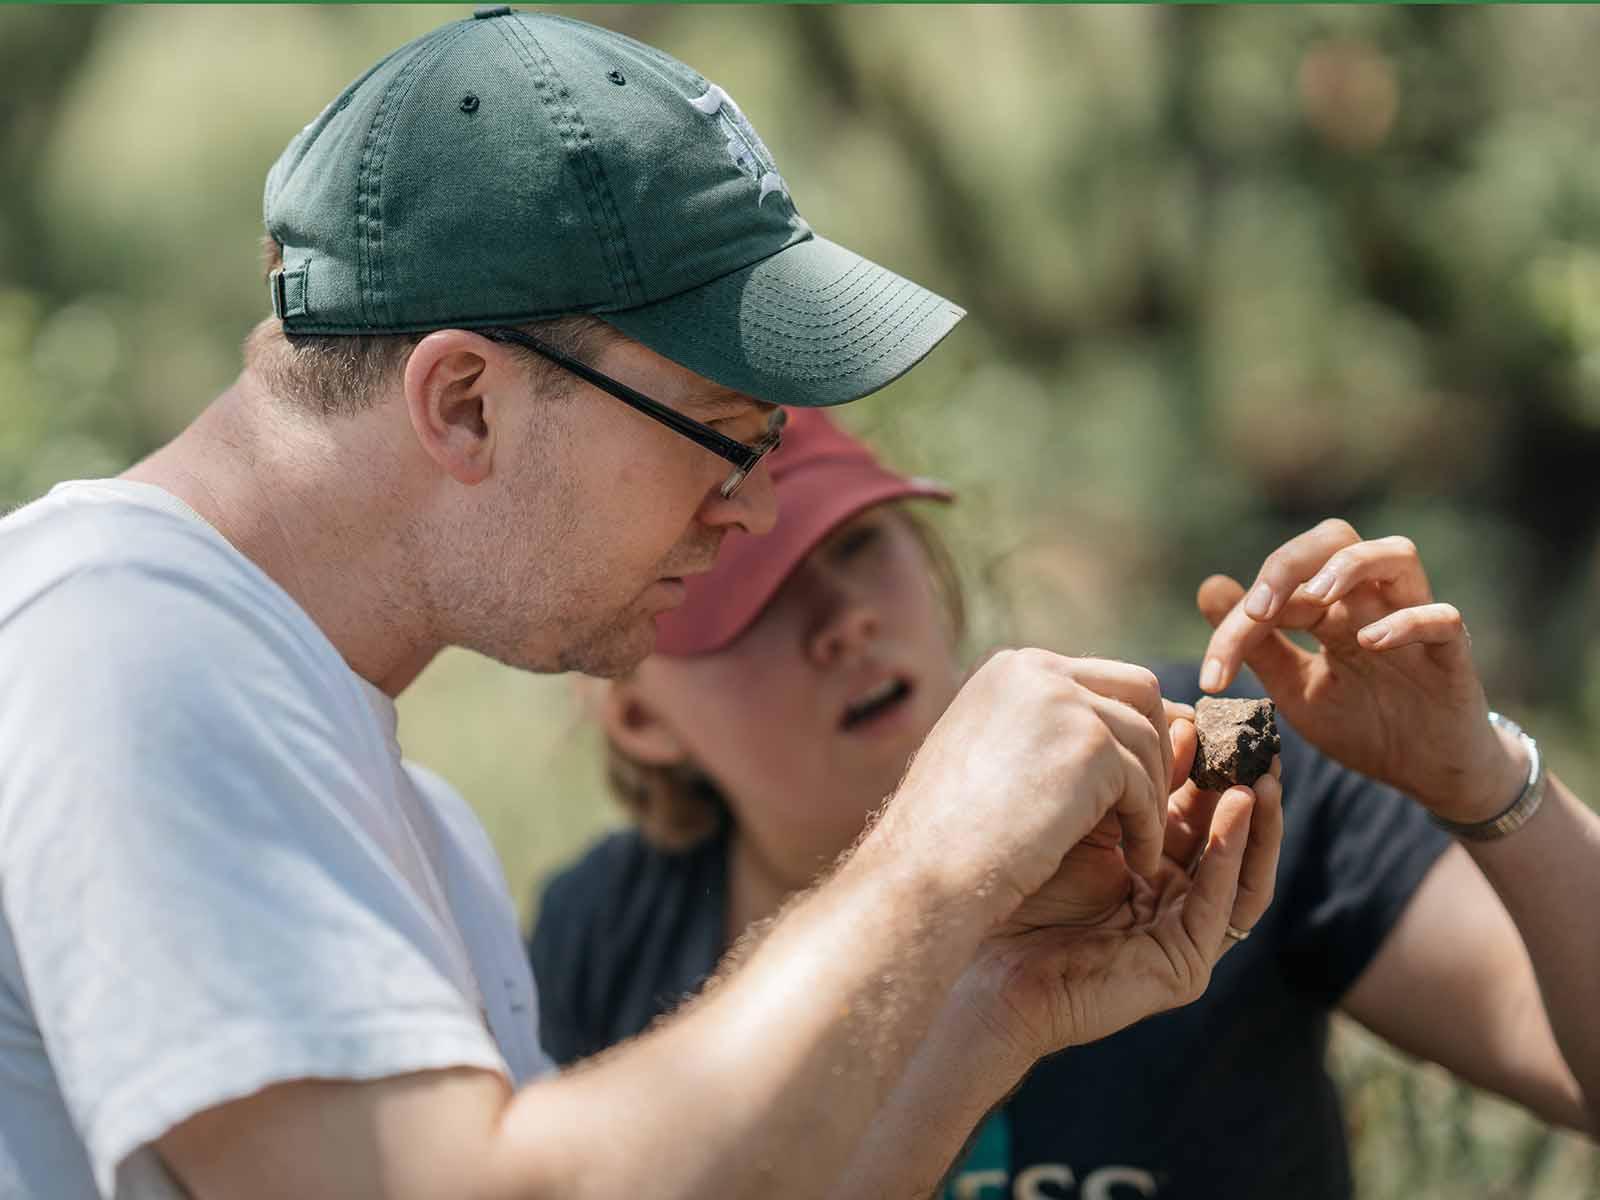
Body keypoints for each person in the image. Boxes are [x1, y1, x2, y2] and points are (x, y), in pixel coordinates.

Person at [0, 12, 1282, 1200]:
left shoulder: (401, 815)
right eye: (724, 433)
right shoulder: (123, 648)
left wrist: (995, 998)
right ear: (464, 402)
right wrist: (928, 860)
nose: (756, 508)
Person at [533, 408, 1600, 1200]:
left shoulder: (1209, 766)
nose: (842, 620)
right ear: (636, 718)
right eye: (748, 598)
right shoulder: (606, 938)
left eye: (856, 543)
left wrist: (1482, 782)